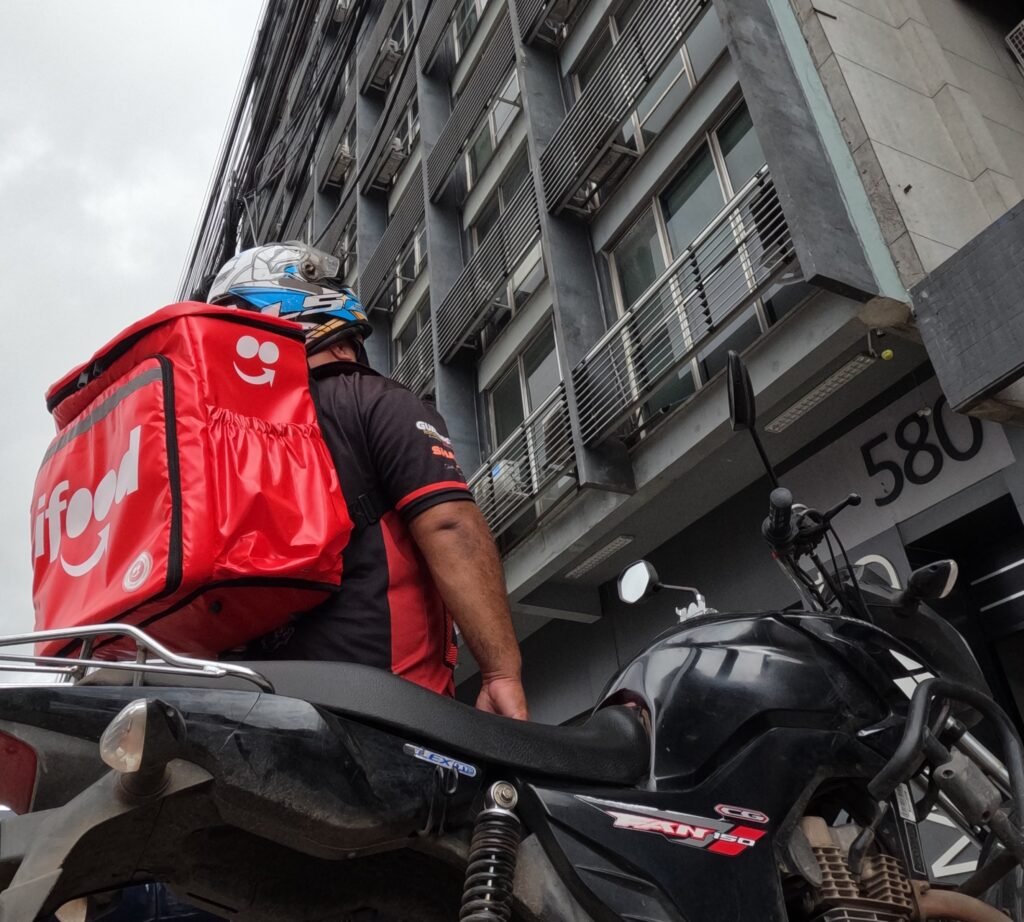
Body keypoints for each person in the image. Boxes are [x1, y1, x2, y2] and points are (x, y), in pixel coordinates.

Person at [206, 242, 528, 720]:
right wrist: (502, 673)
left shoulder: (220, 442)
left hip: (258, 709)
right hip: (385, 706)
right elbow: (449, 525)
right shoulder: (370, 399)